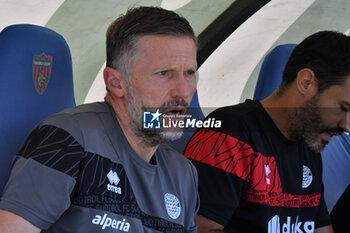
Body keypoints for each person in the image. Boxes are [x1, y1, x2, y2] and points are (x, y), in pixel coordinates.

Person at [0, 6, 199, 233]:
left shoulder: (183, 173)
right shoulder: (67, 140)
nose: (183, 91)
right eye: (164, 73)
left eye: (190, 73)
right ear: (116, 83)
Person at [184, 31, 350, 233]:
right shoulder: (231, 132)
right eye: (343, 107)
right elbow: (199, 229)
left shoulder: (309, 145)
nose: (347, 126)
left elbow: (320, 228)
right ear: (306, 83)